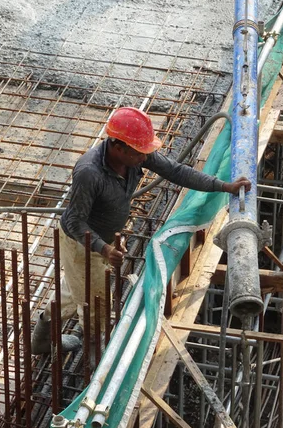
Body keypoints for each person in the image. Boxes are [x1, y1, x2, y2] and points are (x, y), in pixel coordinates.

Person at [31, 107, 251, 355]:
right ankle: (96, 372)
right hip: (80, 246)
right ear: (118, 147)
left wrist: (223, 186)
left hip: (102, 238)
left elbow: (176, 171)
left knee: (74, 290)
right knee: (95, 307)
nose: (144, 157)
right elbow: (74, 222)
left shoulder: (137, 154)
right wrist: (104, 248)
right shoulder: (88, 173)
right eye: (139, 153)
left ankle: (39, 342)